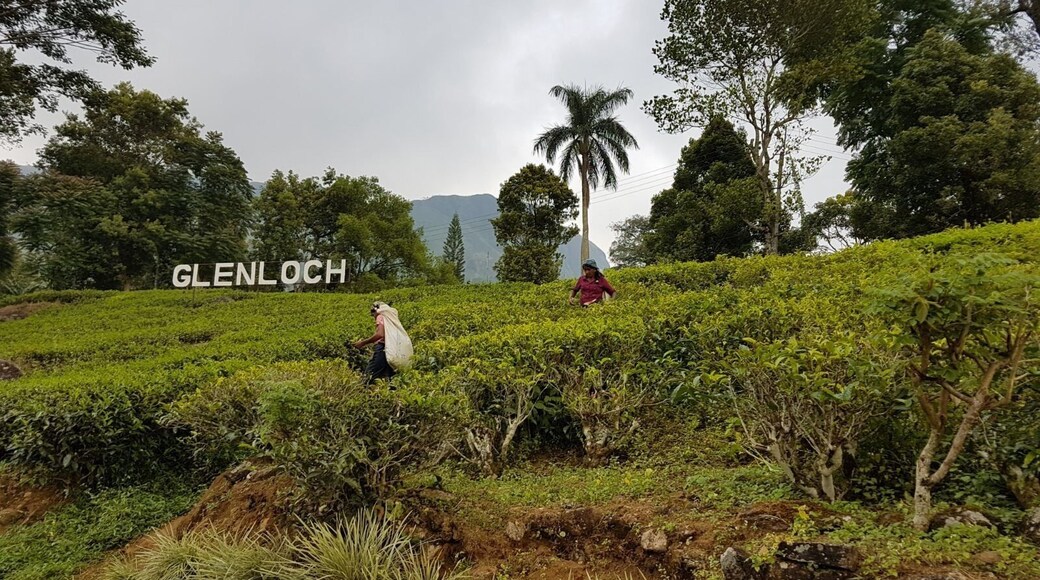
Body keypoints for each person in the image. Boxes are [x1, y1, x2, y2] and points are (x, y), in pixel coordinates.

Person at [353, 301, 396, 384]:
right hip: (392, 348)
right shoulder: (390, 318)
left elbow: (380, 334)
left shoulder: (380, 316)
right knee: (388, 376)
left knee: (369, 374)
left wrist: (363, 343)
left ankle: (363, 390)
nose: (373, 316)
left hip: (382, 348)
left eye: (373, 314)